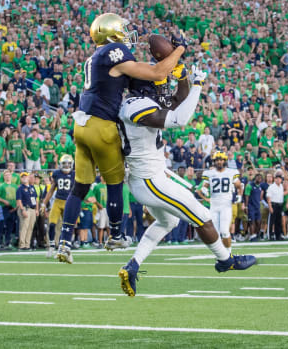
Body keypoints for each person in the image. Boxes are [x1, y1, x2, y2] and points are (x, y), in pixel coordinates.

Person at [56, 13, 186, 263]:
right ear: (111, 33)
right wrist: (179, 49)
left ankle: (63, 242)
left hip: (81, 125)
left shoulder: (97, 57)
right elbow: (158, 72)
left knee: (80, 187)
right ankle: (116, 235)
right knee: (114, 183)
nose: (127, 34)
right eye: (123, 29)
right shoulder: (113, 50)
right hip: (101, 125)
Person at [117, 64, 255, 297]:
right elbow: (180, 118)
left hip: (151, 176)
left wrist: (183, 77)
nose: (162, 86)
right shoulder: (135, 106)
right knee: (202, 216)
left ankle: (132, 266)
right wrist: (198, 85)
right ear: (145, 87)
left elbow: (178, 99)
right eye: (157, 83)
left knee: (168, 222)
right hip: (150, 180)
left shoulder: (141, 101)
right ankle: (225, 260)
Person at [198, 152, 243, 252]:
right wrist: (204, 191)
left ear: (225, 161)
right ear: (214, 161)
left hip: (226, 205)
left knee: (224, 231)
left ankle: (229, 252)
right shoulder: (209, 173)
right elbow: (203, 187)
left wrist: (239, 195)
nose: (219, 162)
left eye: (221, 160)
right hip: (214, 204)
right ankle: (220, 255)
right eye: (217, 160)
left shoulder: (231, 172)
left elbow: (239, 186)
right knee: (215, 233)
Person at [40, 154, 75, 260]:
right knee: (51, 224)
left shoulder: (74, 175)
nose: (67, 165)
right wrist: (44, 203)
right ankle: (51, 246)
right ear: (60, 164)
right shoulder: (57, 174)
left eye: (68, 163)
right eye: (64, 163)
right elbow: (51, 190)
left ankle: (64, 248)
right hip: (57, 201)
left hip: (69, 202)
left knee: (67, 227)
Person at [15, 172, 38, 250]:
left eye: (26, 176)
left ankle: (27, 244)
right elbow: (19, 200)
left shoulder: (32, 187)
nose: (24, 178)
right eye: (22, 177)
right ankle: (22, 245)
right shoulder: (20, 188)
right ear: (21, 179)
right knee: (24, 227)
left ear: (28, 178)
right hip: (25, 208)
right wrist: (22, 210)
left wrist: (37, 209)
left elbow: (36, 199)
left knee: (30, 227)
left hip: (32, 209)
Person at [266, 172, 284, 241]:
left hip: (280, 205)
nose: (278, 180)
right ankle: (269, 235)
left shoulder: (281, 186)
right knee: (271, 221)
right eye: (276, 178)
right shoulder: (272, 186)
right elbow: (268, 197)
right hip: (273, 204)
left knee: (278, 222)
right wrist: (270, 206)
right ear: (275, 179)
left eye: (279, 179)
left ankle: (278, 235)